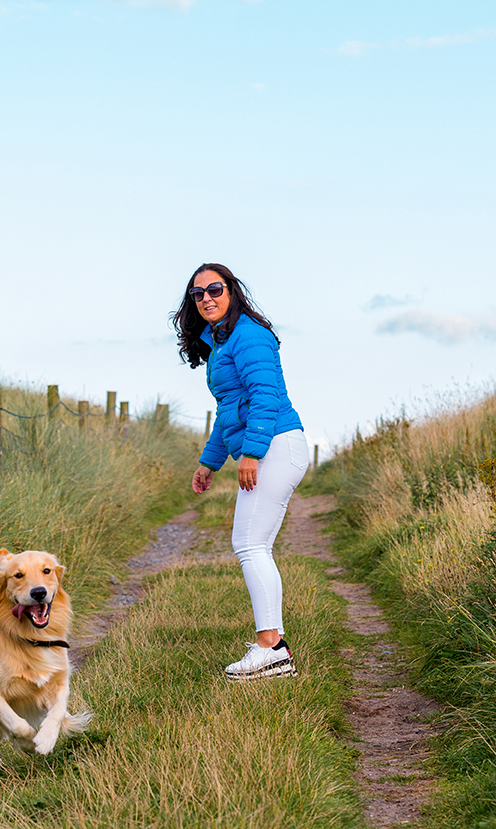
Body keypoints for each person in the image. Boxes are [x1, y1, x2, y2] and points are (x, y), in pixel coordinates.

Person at [172, 263, 308, 681]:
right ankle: (274, 648)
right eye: (198, 294)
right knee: (253, 545)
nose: (207, 298)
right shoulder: (221, 341)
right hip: (270, 446)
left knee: (249, 545)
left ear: (232, 291)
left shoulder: (248, 334)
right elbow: (231, 410)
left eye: (215, 289)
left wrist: (251, 453)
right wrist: (209, 461)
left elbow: (265, 396)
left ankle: (271, 648)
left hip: (275, 446)